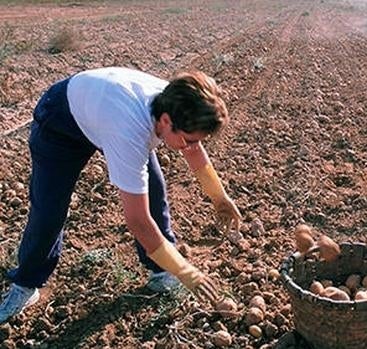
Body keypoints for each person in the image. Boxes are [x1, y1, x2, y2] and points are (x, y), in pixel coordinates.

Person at [0, 67, 242, 323]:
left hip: (104, 112)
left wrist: (219, 197)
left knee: (154, 192)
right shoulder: (130, 131)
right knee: (48, 212)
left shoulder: (175, 102)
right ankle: (25, 285)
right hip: (60, 123)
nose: (192, 147)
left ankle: (161, 272)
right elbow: (137, 220)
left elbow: (193, 152)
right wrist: (185, 271)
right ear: (166, 121)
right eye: (188, 140)